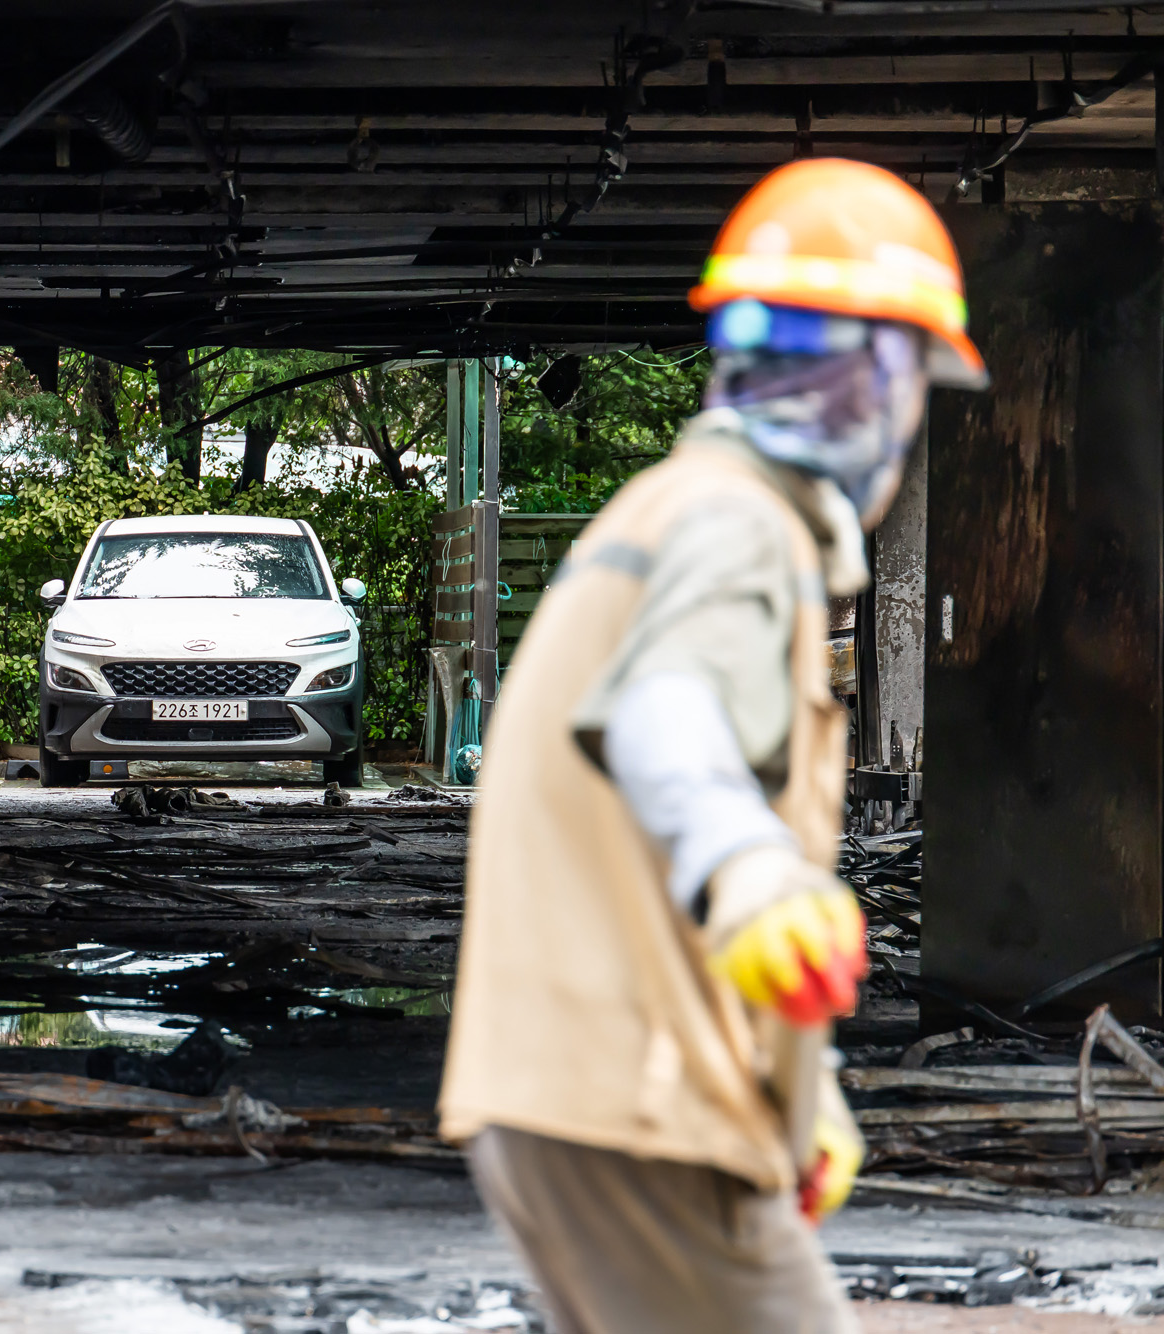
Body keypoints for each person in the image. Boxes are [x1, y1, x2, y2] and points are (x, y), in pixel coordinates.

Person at [438, 158, 987, 1334]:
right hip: (630, 1104)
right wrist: (748, 876)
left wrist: (803, 1100)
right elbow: (662, 717)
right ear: (870, 373)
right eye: (902, 384)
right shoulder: (738, 525)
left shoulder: (676, 513)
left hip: (587, 1099)